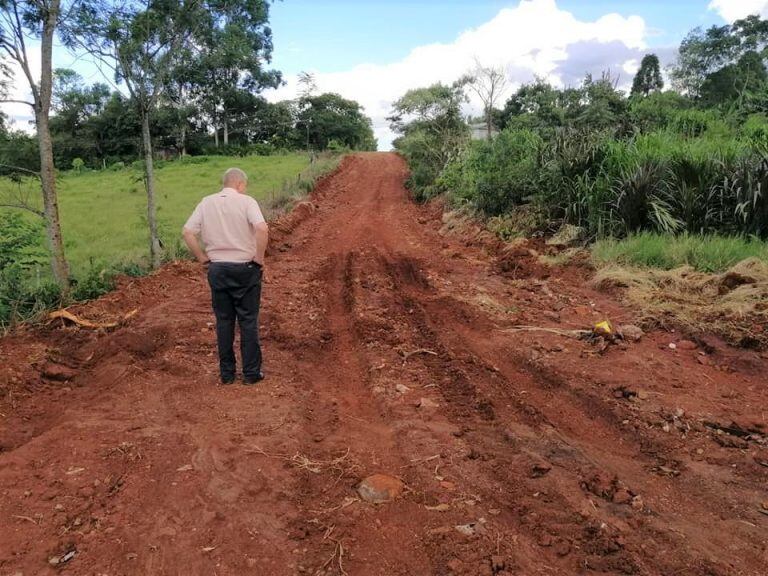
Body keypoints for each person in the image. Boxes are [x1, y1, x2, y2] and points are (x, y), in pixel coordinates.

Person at [182, 168, 269, 385]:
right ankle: (251, 373)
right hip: (245, 269)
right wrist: (259, 258)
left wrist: (202, 258)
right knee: (248, 320)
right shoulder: (247, 202)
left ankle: (227, 374)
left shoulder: (206, 202)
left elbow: (187, 232)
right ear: (240, 184)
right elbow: (262, 228)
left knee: (224, 320)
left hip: (218, 269)